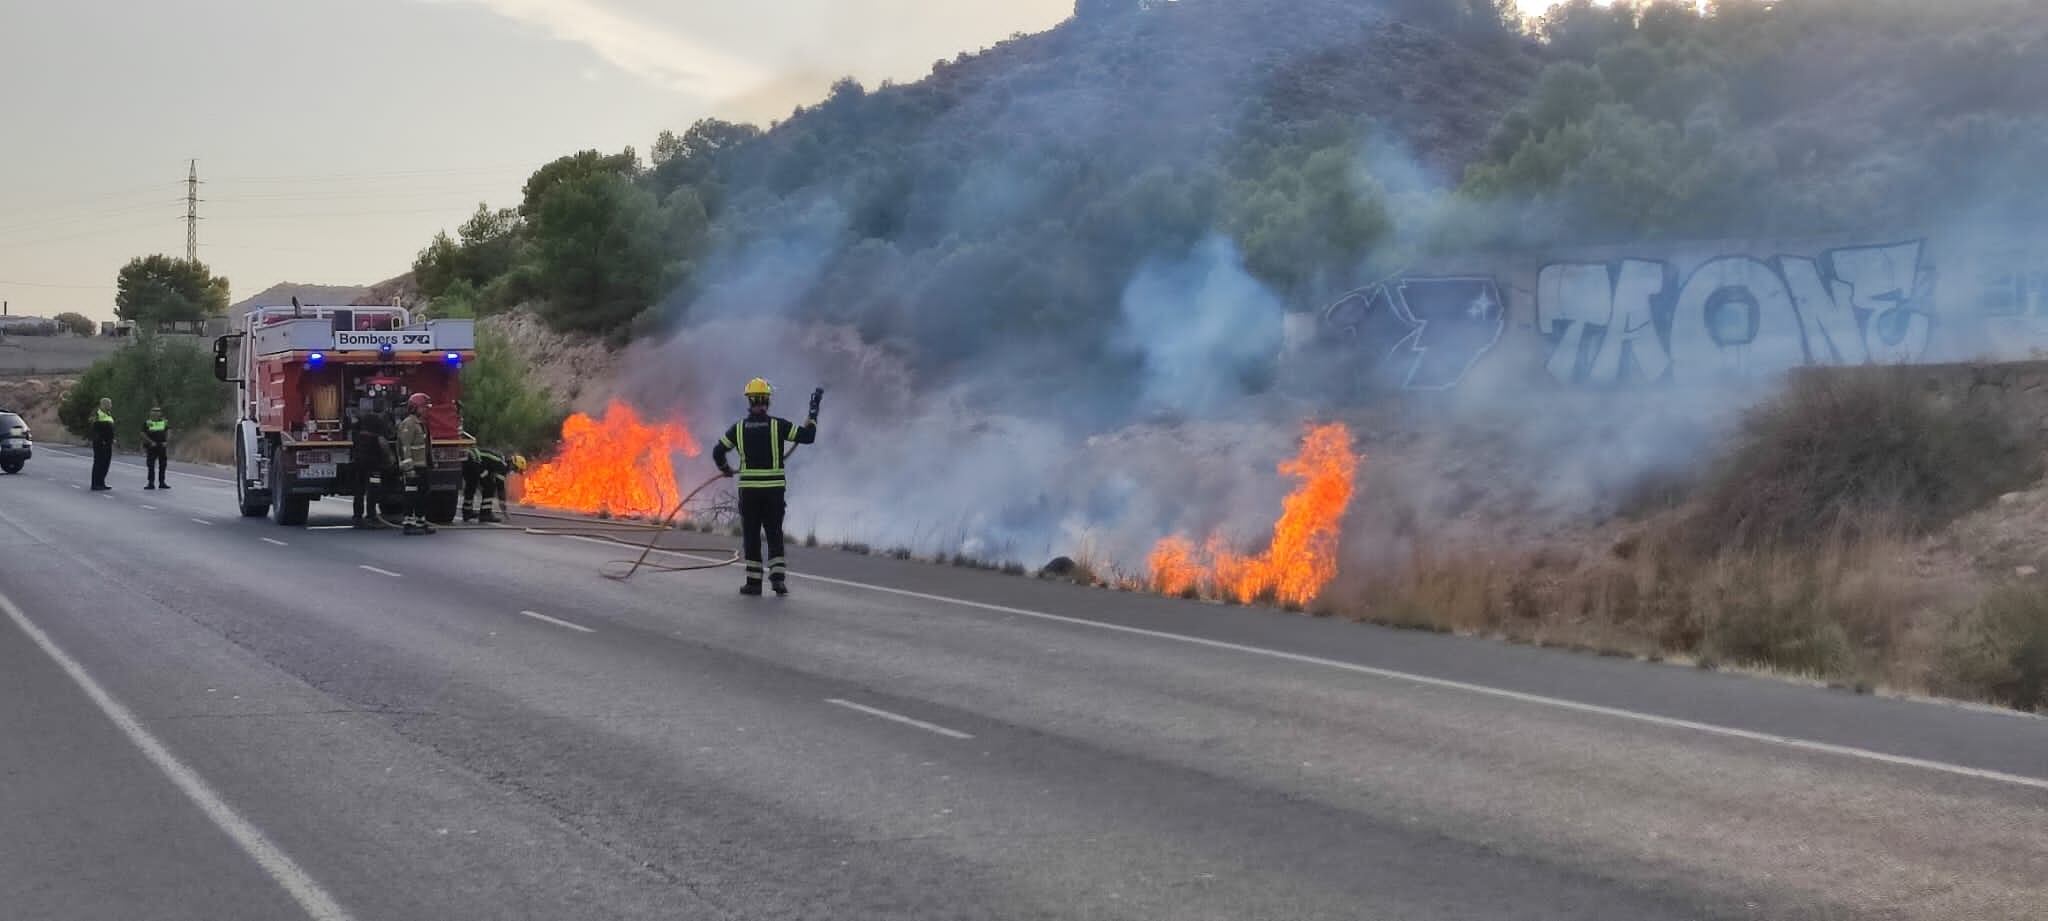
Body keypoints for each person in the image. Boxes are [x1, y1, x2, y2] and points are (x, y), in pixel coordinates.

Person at [711, 378, 818, 596]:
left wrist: (726, 469)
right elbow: (808, 437)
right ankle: (778, 580)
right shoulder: (778, 426)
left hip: (749, 494)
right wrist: (813, 416)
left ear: (749, 401)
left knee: (751, 535)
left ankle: (753, 583)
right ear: (768, 400)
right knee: (774, 534)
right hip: (773, 493)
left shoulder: (738, 429)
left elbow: (717, 451)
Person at [395, 392, 437, 535]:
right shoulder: (409, 424)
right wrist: (408, 468)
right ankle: (408, 523)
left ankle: (420, 521)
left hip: (422, 466)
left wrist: (431, 462)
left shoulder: (420, 424)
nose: (426, 410)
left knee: (422, 494)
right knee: (411, 494)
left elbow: (424, 446)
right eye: (423, 407)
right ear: (415, 408)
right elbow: (404, 447)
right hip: (413, 468)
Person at [461, 441, 525, 524]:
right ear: (513, 464)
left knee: (471, 485)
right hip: (475, 462)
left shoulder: (500, 461)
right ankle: (485, 514)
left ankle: (467, 512)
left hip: (468, 459)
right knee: (489, 487)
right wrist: (503, 506)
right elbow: (500, 487)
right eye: (515, 469)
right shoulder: (503, 465)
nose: (513, 472)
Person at [351, 409, 393, 529]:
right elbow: (383, 443)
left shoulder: (360, 425)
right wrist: (389, 459)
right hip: (373, 462)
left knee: (359, 489)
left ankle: (357, 517)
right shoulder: (379, 424)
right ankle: (371, 516)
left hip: (359, 460)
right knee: (373, 489)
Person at [89, 397, 115, 491]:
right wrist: (100, 439)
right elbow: (94, 426)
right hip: (100, 442)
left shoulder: (108, 414)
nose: (111, 406)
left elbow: (109, 428)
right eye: (109, 404)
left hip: (108, 442)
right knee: (98, 462)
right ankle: (95, 483)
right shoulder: (97, 413)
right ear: (104, 404)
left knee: (105, 463)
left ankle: (101, 482)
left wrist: (112, 439)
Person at [143, 406, 170, 490]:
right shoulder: (147, 422)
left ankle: (162, 482)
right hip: (152, 446)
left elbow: (169, 431)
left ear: (160, 413)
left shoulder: (164, 422)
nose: (156, 413)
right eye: (154, 411)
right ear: (151, 413)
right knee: (151, 465)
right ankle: (151, 483)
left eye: (158, 411)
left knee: (163, 465)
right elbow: (142, 433)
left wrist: (166, 441)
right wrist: (150, 442)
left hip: (162, 446)